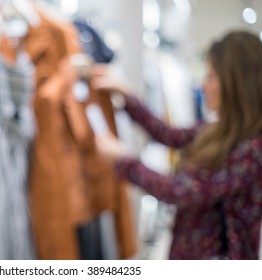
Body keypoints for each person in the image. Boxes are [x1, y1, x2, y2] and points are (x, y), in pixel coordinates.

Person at [92, 31, 262, 259]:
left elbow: (178, 190)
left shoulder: (251, 151)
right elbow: (169, 135)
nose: (202, 86)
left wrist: (122, 161)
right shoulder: (222, 130)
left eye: (211, 77)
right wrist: (127, 97)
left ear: (236, 85)